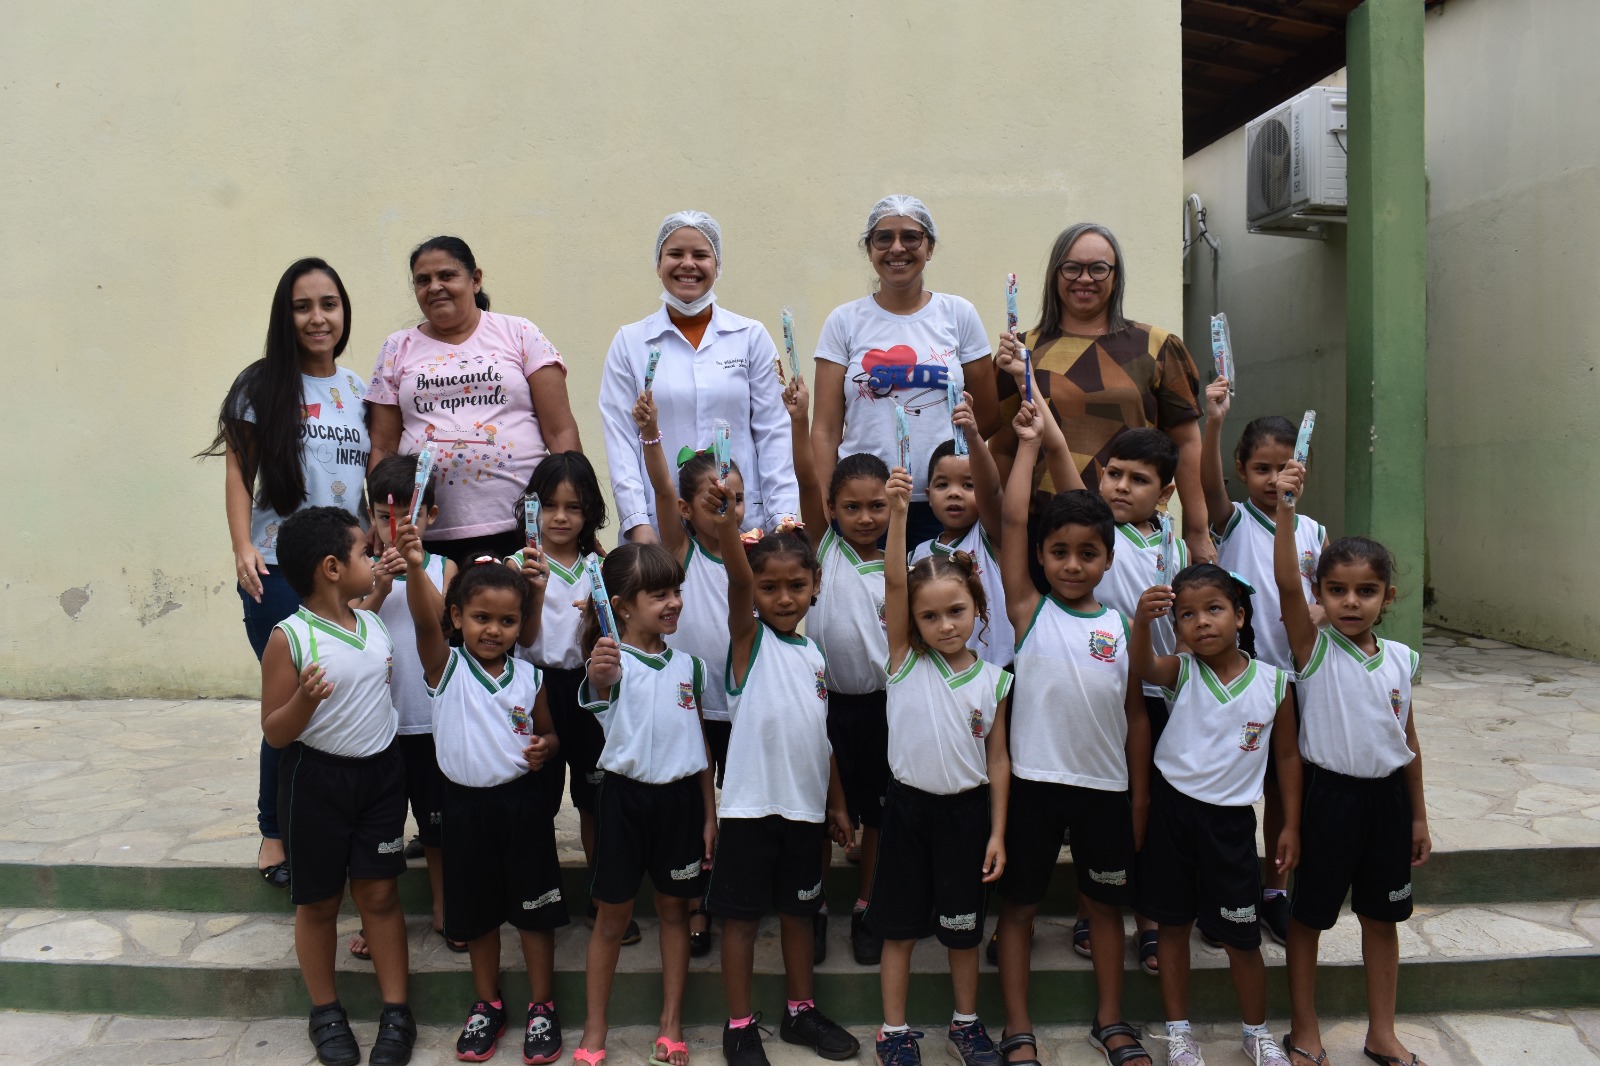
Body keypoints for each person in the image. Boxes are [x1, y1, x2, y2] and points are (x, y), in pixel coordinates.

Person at [201, 257, 367, 890]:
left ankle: (335, 825)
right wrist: (242, 545)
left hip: (346, 573)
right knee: (290, 701)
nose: (317, 318)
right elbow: (238, 471)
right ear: (285, 315)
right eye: (303, 306)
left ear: (343, 312)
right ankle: (274, 830)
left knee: (340, 697)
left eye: (329, 304)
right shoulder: (262, 384)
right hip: (276, 570)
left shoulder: (358, 389)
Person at [994, 401, 1152, 1066]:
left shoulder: (1121, 627)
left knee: (1105, 909)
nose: (1071, 564)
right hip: (1033, 786)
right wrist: (1029, 445)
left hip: (1103, 792)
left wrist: (1138, 797)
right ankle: (1018, 1025)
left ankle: (1110, 1021)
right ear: (1039, 556)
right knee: (1019, 910)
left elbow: (1136, 717)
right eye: (1058, 552)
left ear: (1109, 559)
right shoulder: (1027, 611)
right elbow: (1011, 519)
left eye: (1088, 553)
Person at [703, 442, 860, 1066]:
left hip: (803, 811)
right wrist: (727, 524)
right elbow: (739, 580)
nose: (784, 597)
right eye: (769, 587)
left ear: (816, 587)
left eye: (797, 585)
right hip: (749, 810)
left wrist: (837, 804)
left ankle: (800, 1011)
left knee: (800, 914)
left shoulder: (814, 656)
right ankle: (740, 1025)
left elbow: (821, 739)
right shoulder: (748, 642)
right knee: (741, 922)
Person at [1273, 461, 1430, 1066]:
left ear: (1387, 597)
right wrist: (1286, 510)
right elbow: (1286, 584)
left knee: (1381, 919)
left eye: (1366, 591)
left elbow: (1407, 740)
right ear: (1319, 594)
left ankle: (1381, 1032)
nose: (1350, 601)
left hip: (1387, 802)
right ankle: (1305, 1030)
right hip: (1328, 801)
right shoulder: (1312, 649)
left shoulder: (1400, 659)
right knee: (1308, 919)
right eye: (1336, 590)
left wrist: (1418, 815)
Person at [869, 462, 1012, 1066]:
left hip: (967, 817)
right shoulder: (904, 661)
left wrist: (997, 832)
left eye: (956, 610)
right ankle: (894, 1031)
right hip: (907, 813)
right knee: (900, 931)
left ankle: (966, 1024)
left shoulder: (994, 680)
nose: (944, 624)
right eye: (929, 616)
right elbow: (895, 584)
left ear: (978, 606)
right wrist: (900, 514)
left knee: (962, 930)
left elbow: (998, 759)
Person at [1130, 566, 1301, 1066]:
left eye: (1214, 609)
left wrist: (1291, 824)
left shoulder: (1274, 683)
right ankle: (1179, 1033)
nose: (1201, 621)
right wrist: (1142, 621)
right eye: (1187, 615)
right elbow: (1143, 667)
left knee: (1242, 937)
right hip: (1173, 815)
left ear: (1240, 616)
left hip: (1230, 825)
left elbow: (1287, 757)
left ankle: (1256, 1032)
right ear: (1178, 628)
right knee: (1173, 927)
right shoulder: (1181, 671)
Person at [260, 507, 413, 1066]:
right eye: (363, 553)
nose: (373, 558)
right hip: (316, 783)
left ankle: (397, 1010)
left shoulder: (371, 623)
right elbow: (275, 732)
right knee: (320, 902)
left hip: (381, 778)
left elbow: (363, 656)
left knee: (380, 894)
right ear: (331, 568)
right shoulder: (290, 638)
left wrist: (385, 582)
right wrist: (304, 699)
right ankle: (325, 1010)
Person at [1042, 426, 1189, 977]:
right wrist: (1034, 406)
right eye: (1114, 474)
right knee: (1103, 810)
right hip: (1104, 692)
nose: (1122, 486)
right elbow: (1059, 452)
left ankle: (1148, 916)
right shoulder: (1098, 532)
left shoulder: (1174, 543)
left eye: (1139, 479)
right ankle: (1091, 909)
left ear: (1165, 492)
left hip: (1160, 697)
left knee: (1150, 811)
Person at [989, 223, 1213, 565]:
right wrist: (1001, 532)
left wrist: (1197, 530)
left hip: (1138, 539)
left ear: (1116, 275)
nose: (1085, 278)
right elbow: (1004, 449)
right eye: (1072, 268)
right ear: (1055, 274)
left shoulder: (1157, 346)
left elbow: (1186, 444)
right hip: (1048, 538)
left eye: (1098, 268)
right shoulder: (1022, 351)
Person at [575, 544, 717, 1066]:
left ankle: (671, 1022)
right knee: (611, 920)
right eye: (658, 594)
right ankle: (595, 1028)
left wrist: (709, 814)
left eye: (676, 591)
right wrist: (599, 669)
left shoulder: (691, 668)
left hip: (681, 805)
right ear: (622, 607)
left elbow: (700, 746)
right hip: (623, 801)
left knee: (675, 912)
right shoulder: (610, 665)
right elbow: (599, 685)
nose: (673, 602)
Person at [1201, 378, 1329, 942]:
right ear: (1242, 469)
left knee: (1283, 787)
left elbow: (1327, 595)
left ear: (1302, 470)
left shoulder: (1315, 532)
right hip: (1239, 674)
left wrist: (1319, 614)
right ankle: (1220, 892)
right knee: (1227, 783)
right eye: (1261, 469)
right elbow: (1207, 484)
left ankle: (1274, 890)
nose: (1274, 480)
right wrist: (1214, 420)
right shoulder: (1233, 520)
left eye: (1284, 469)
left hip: (1295, 679)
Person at [366, 235, 581, 564]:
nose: (435, 287)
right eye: (423, 280)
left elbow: (560, 430)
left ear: (475, 279)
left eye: (447, 275)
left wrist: (578, 510)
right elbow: (383, 446)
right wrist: (381, 518)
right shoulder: (397, 347)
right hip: (425, 534)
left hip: (522, 526)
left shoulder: (520, 333)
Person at [506, 452, 641, 946]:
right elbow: (523, 639)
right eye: (550, 505)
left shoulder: (600, 568)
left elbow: (613, 637)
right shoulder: (518, 564)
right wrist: (534, 590)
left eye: (574, 507)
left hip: (588, 690)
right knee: (537, 800)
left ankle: (602, 898)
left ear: (590, 513)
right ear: (531, 508)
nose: (560, 517)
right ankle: (539, 896)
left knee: (594, 800)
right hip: (535, 689)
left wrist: (596, 618)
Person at [811, 194, 997, 548]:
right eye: (884, 238)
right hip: (866, 504)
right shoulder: (844, 321)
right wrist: (829, 495)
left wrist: (949, 470)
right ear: (870, 250)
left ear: (930, 247)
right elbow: (825, 427)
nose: (897, 248)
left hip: (945, 505)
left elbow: (988, 414)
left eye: (911, 237)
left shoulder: (958, 314)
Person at [600, 210, 798, 540]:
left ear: (717, 266)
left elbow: (773, 432)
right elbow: (620, 439)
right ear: (658, 264)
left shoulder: (750, 336)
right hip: (661, 526)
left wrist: (782, 517)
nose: (688, 264)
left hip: (744, 524)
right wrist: (636, 521)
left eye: (701, 255)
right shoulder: (630, 342)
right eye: (675, 254)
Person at [631, 389, 745, 955]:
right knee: (698, 808)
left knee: (740, 801)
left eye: (737, 498)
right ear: (686, 508)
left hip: (744, 705)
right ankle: (697, 902)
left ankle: (740, 892)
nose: (728, 508)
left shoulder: (752, 552)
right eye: (714, 500)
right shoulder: (680, 550)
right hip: (693, 707)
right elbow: (660, 489)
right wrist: (652, 435)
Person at [792, 410, 892, 966]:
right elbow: (808, 477)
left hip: (882, 709)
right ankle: (814, 907)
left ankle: (867, 907)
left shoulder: (900, 561)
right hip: (824, 706)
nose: (864, 516)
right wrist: (797, 420)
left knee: (876, 815)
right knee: (820, 813)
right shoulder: (823, 546)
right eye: (851, 506)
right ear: (831, 509)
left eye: (877, 505)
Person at [353, 457, 460, 959]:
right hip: (380, 728)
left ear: (430, 516)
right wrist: (377, 587)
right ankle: (376, 918)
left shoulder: (442, 567)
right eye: (383, 518)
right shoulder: (361, 572)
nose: (393, 529)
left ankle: (444, 907)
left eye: (406, 518)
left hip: (432, 722)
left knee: (438, 829)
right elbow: (350, 632)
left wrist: (414, 569)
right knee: (382, 828)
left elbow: (442, 622)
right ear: (371, 518)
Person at [907, 395, 1013, 667]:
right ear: (928, 496)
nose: (954, 493)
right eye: (943, 485)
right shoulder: (918, 555)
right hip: (942, 675)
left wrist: (974, 437)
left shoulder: (990, 535)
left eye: (968, 485)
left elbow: (992, 490)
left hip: (998, 671)